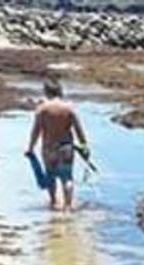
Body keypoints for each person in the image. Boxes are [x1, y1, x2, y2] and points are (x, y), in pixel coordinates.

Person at [26, 77, 88, 212]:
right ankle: (68, 205)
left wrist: (30, 148)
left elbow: (36, 131)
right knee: (67, 177)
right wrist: (84, 146)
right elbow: (79, 130)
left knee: (50, 176)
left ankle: (54, 203)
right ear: (60, 91)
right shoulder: (69, 109)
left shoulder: (42, 109)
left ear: (46, 92)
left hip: (49, 148)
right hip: (66, 147)